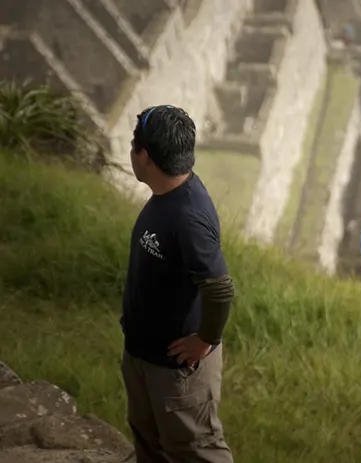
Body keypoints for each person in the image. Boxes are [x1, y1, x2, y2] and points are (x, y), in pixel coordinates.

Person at [120, 105, 234, 463]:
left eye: (133, 146)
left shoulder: (188, 217)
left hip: (176, 373)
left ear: (146, 157)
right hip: (145, 357)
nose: (130, 152)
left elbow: (219, 288)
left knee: (197, 452)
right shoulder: (166, 195)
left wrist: (206, 339)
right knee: (150, 445)